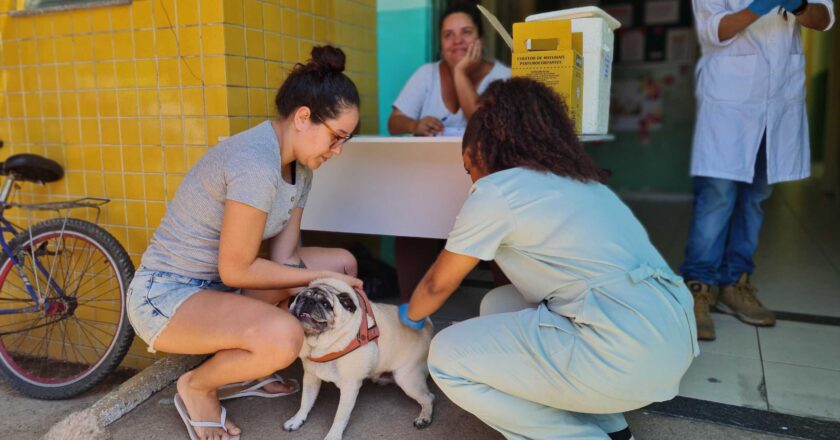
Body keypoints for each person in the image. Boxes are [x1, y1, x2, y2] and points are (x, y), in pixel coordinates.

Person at [398, 77, 698, 440]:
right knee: (498, 302)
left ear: (483, 151)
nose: (471, 179)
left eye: (468, 168)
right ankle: (613, 428)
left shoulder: (497, 190)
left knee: (445, 357)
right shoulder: (582, 183)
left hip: (621, 355)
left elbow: (437, 284)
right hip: (668, 344)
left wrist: (407, 318)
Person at [126, 45, 364, 440]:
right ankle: (198, 387)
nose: (337, 152)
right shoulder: (255, 162)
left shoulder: (300, 169)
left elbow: (284, 258)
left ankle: (245, 370)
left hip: (222, 288)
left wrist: (328, 276)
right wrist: (318, 276)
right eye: (336, 137)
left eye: (345, 141)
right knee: (284, 335)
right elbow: (236, 268)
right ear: (303, 117)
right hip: (168, 294)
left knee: (344, 265)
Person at [684, 0, 834, 340]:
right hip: (730, 102)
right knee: (717, 197)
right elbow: (714, 29)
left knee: (755, 198)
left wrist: (798, 6)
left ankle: (735, 284)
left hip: (779, 99)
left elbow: (824, 19)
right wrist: (760, 6)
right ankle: (697, 287)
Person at [388, 2, 512, 302]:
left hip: (486, 182)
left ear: (481, 39)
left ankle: (507, 308)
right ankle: (412, 306)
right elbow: (394, 122)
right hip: (430, 183)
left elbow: (482, 122)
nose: (457, 40)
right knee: (409, 218)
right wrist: (416, 123)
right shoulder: (426, 74)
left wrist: (459, 75)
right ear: (441, 43)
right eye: (448, 35)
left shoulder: (503, 77)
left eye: (466, 32)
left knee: (504, 231)